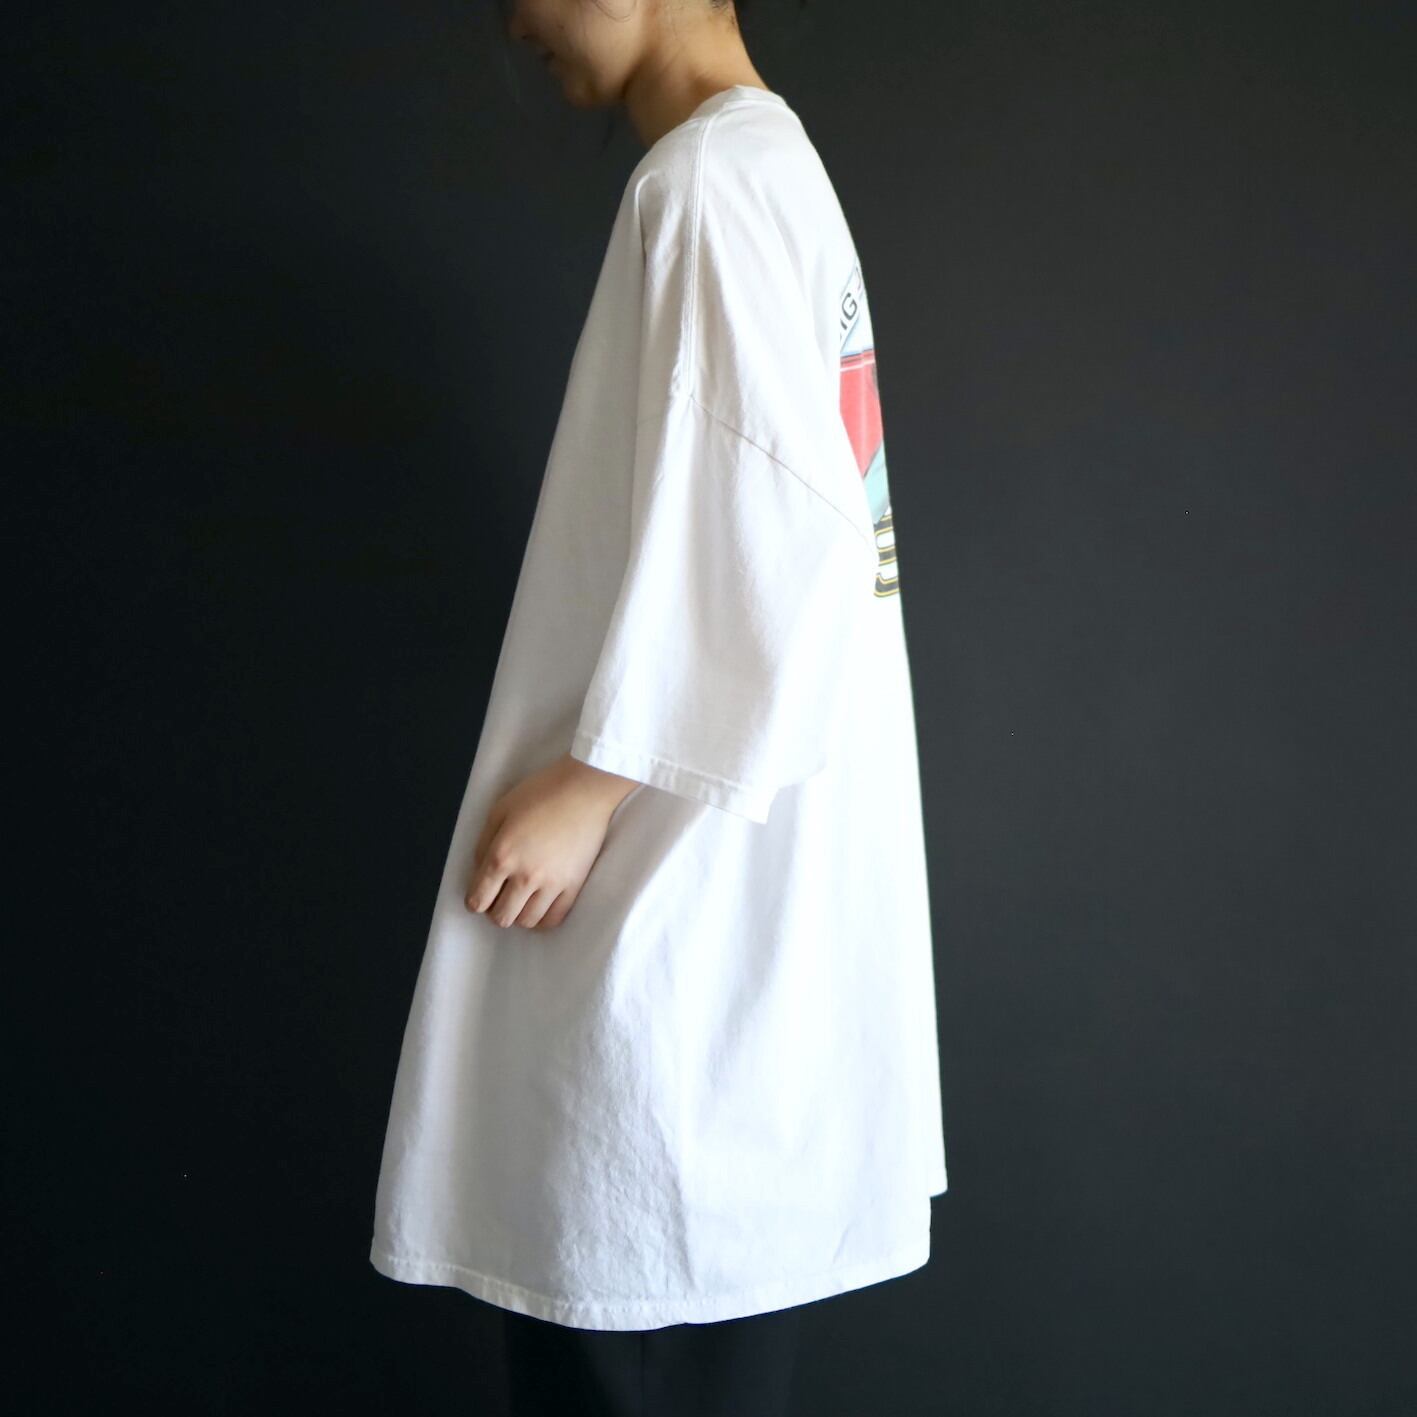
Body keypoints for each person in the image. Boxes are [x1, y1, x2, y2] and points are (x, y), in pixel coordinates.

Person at [368, 2, 948, 1412]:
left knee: (630, 1323)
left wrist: (590, 789)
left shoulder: (707, 183)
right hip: (733, 943)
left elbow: (783, 549)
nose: (511, 14)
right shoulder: (765, 166)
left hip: (677, 934)